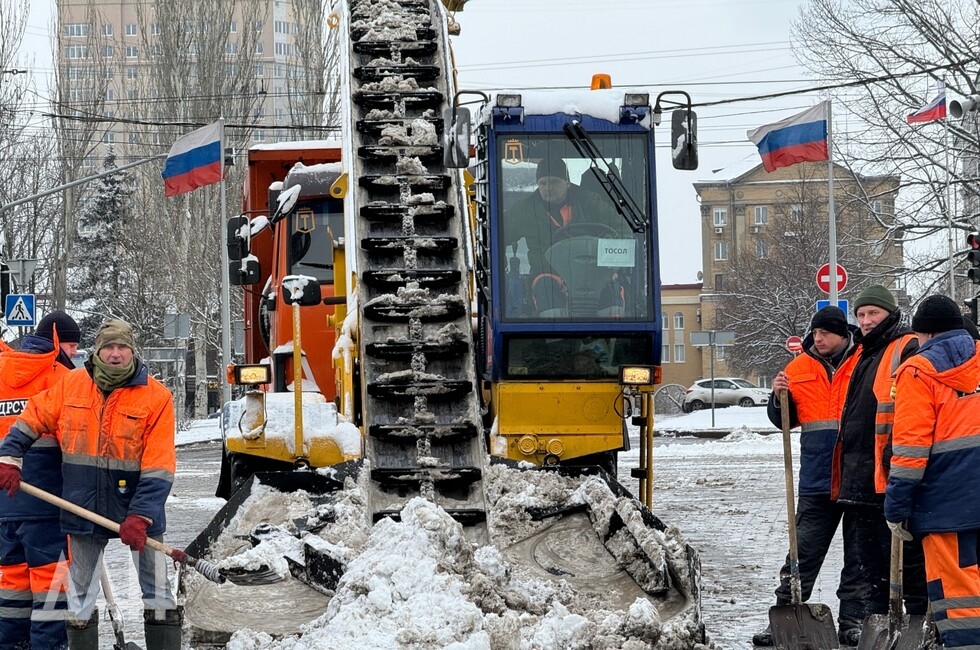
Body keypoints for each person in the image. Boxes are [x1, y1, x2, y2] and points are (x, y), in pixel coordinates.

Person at [0, 319, 180, 650]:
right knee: (79, 594)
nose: (115, 354)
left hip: (138, 512)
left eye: (122, 347)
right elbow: (34, 416)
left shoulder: (156, 398)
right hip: (83, 509)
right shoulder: (71, 385)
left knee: (157, 592)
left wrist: (141, 516)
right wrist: (10, 456)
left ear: (132, 351)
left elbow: (159, 466)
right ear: (96, 351)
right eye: (108, 347)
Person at [753, 306, 858, 646]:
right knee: (803, 552)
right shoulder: (797, 368)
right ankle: (786, 613)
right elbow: (783, 419)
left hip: (860, 474)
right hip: (817, 476)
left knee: (860, 555)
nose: (818, 338)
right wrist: (777, 398)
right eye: (815, 333)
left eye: (825, 332)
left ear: (843, 333)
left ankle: (853, 621)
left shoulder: (864, 361)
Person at [885, 295, 980, 649]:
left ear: (923, 334)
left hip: (946, 508)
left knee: (960, 603)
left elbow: (910, 451)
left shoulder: (917, 371)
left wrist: (896, 508)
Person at [830, 284, 920, 645]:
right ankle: (879, 621)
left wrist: (896, 463)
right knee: (870, 565)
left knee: (900, 563)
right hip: (861, 478)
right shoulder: (866, 353)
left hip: (887, 476)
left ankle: (908, 624)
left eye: (873, 314)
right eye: (861, 315)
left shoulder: (904, 347)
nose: (865, 321)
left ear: (890, 314)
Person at [0, 311, 80, 649]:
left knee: (11, 585)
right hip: (48, 504)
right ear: (58, 341)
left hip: (5, 505)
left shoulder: (2, 370)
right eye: (73, 345)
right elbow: (75, 443)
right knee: (52, 588)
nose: (75, 354)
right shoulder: (62, 378)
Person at [505, 155, 626, 316]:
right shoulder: (525, 210)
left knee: (611, 296)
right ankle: (557, 339)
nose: (548, 187)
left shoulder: (589, 202)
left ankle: (612, 339)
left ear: (567, 182)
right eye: (543, 183)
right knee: (548, 296)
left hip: (593, 272)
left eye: (554, 181)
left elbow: (622, 230)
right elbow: (500, 234)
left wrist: (611, 266)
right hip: (548, 272)